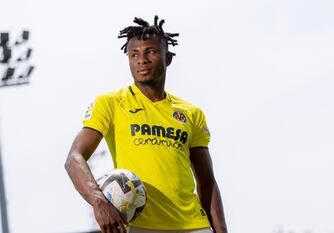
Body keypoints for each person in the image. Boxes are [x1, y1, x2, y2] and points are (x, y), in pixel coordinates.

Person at [65, 15, 228, 233]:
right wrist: (98, 201)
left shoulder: (191, 114)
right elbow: (74, 158)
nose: (141, 59)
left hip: (194, 226)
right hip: (139, 226)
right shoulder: (111, 103)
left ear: (168, 58)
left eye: (150, 52)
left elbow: (207, 183)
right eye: (134, 54)